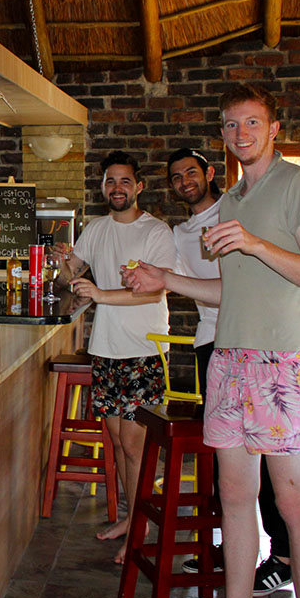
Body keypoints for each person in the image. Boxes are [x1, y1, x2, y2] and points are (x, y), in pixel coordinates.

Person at [125, 84, 300, 598]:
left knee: (293, 504)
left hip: (284, 362)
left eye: (251, 123)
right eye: (229, 125)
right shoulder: (236, 201)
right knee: (236, 500)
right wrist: (165, 279)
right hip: (229, 362)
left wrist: (255, 244)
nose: (240, 134)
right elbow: (232, 291)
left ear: (273, 129)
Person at [167, 147, 300, 593]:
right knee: (237, 486)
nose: (185, 180)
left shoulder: (246, 202)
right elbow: (226, 287)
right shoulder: (205, 219)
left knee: (286, 493)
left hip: (278, 355)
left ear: (209, 172)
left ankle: (282, 556)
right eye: (177, 176)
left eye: (191, 172)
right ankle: (237, 562)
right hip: (220, 347)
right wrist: (161, 279)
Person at [52, 150, 177, 564]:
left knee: (137, 445)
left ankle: (144, 528)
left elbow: (157, 289)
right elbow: (73, 272)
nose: (117, 189)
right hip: (105, 348)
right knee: (120, 443)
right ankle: (132, 517)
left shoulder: (156, 231)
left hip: (145, 348)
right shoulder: (97, 228)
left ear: (138, 186)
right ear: (103, 187)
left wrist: (100, 293)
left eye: (125, 181)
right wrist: (61, 263)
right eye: (110, 182)